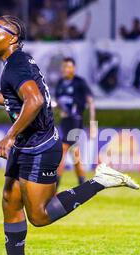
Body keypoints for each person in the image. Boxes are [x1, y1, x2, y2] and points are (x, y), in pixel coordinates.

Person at [0, 15, 139, 255]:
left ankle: (101, 181)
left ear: (13, 39)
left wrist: (8, 136)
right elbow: (13, 98)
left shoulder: (15, 65)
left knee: (40, 216)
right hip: (26, 146)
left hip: (39, 148)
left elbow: (35, 100)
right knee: (9, 201)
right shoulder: (16, 63)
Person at [54, 57, 96, 187]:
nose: (65, 69)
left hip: (75, 121)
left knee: (63, 148)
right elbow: (59, 102)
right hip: (65, 121)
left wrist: (93, 124)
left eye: (68, 66)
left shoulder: (79, 82)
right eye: (64, 66)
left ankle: (55, 184)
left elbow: (91, 102)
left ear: (74, 68)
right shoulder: (61, 83)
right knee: (74, 152)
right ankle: (82, 183)